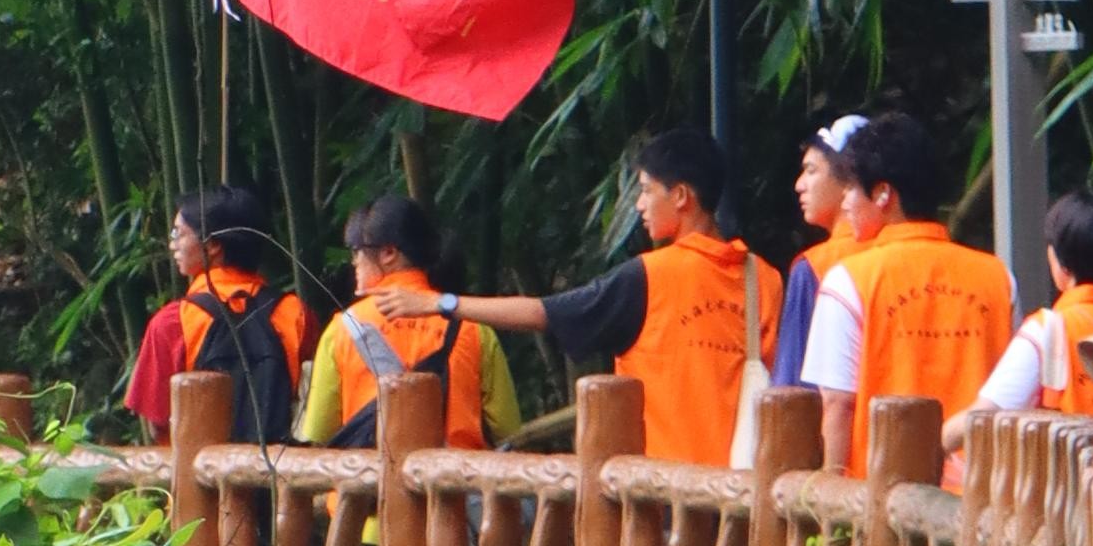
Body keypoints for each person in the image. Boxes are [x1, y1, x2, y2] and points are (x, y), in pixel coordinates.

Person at [373, 129, 772, 468]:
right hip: (743, 490)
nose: (638, 204)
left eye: (646, 190)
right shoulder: (764, 278)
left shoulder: (650, 276)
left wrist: (441, 303)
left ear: (681, 196)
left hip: (664, 496)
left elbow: (542, 312)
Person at [797, 112, 1016, 471]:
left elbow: (838, 403)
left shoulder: (848, 280)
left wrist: (828, 492)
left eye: (851, 189)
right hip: (980, 488)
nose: (846, 203)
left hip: (881, 486)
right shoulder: (998, 277)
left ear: (883, 194)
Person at [296, 196, 518, 450]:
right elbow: (507, 428)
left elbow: (319, 432)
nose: (354, 261)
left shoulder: (342, 330)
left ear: (389, 253)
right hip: (454, 475)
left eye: (357, 251)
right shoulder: (473, 329)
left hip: (367, 474)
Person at [958, 187, 1093, 438]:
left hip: (1077, 463)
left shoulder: (1048, 331)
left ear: (1061, 264)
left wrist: (941, 439)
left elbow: (985, 416)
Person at [120, 185, 312, 440]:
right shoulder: (295, 312)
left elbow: (157, 422)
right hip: (277, 462)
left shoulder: (173, 321)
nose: (172, 244)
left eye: (178, 233)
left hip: (196, 462)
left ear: (212, 246)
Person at [767, 115, 872, 392]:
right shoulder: (911, 259)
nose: (799, 184)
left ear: (848, 180)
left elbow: (791, 388)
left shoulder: (814, 267)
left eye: (811, 171)